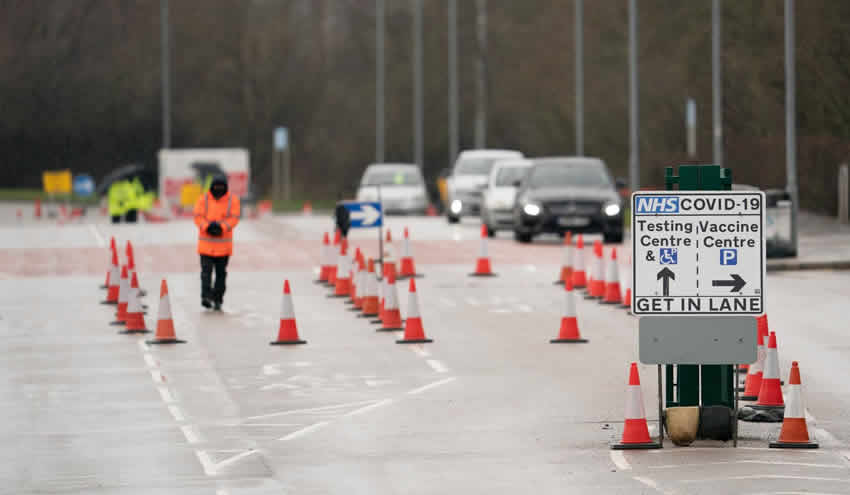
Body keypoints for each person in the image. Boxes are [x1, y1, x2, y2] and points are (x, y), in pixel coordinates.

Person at [193, 175, 240, 310]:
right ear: (211, 187)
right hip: (206, 247)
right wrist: (207, 227)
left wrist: (221, 227)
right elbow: (198, 217)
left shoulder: (233, 200)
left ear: (226, 188)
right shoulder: (203, 199)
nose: (218, 189)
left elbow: (234, 218)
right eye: (216, 187)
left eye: (221, 187)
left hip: (223, 248)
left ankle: (218, 298)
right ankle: (206, 297)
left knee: (221, 274)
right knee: (206, 273)